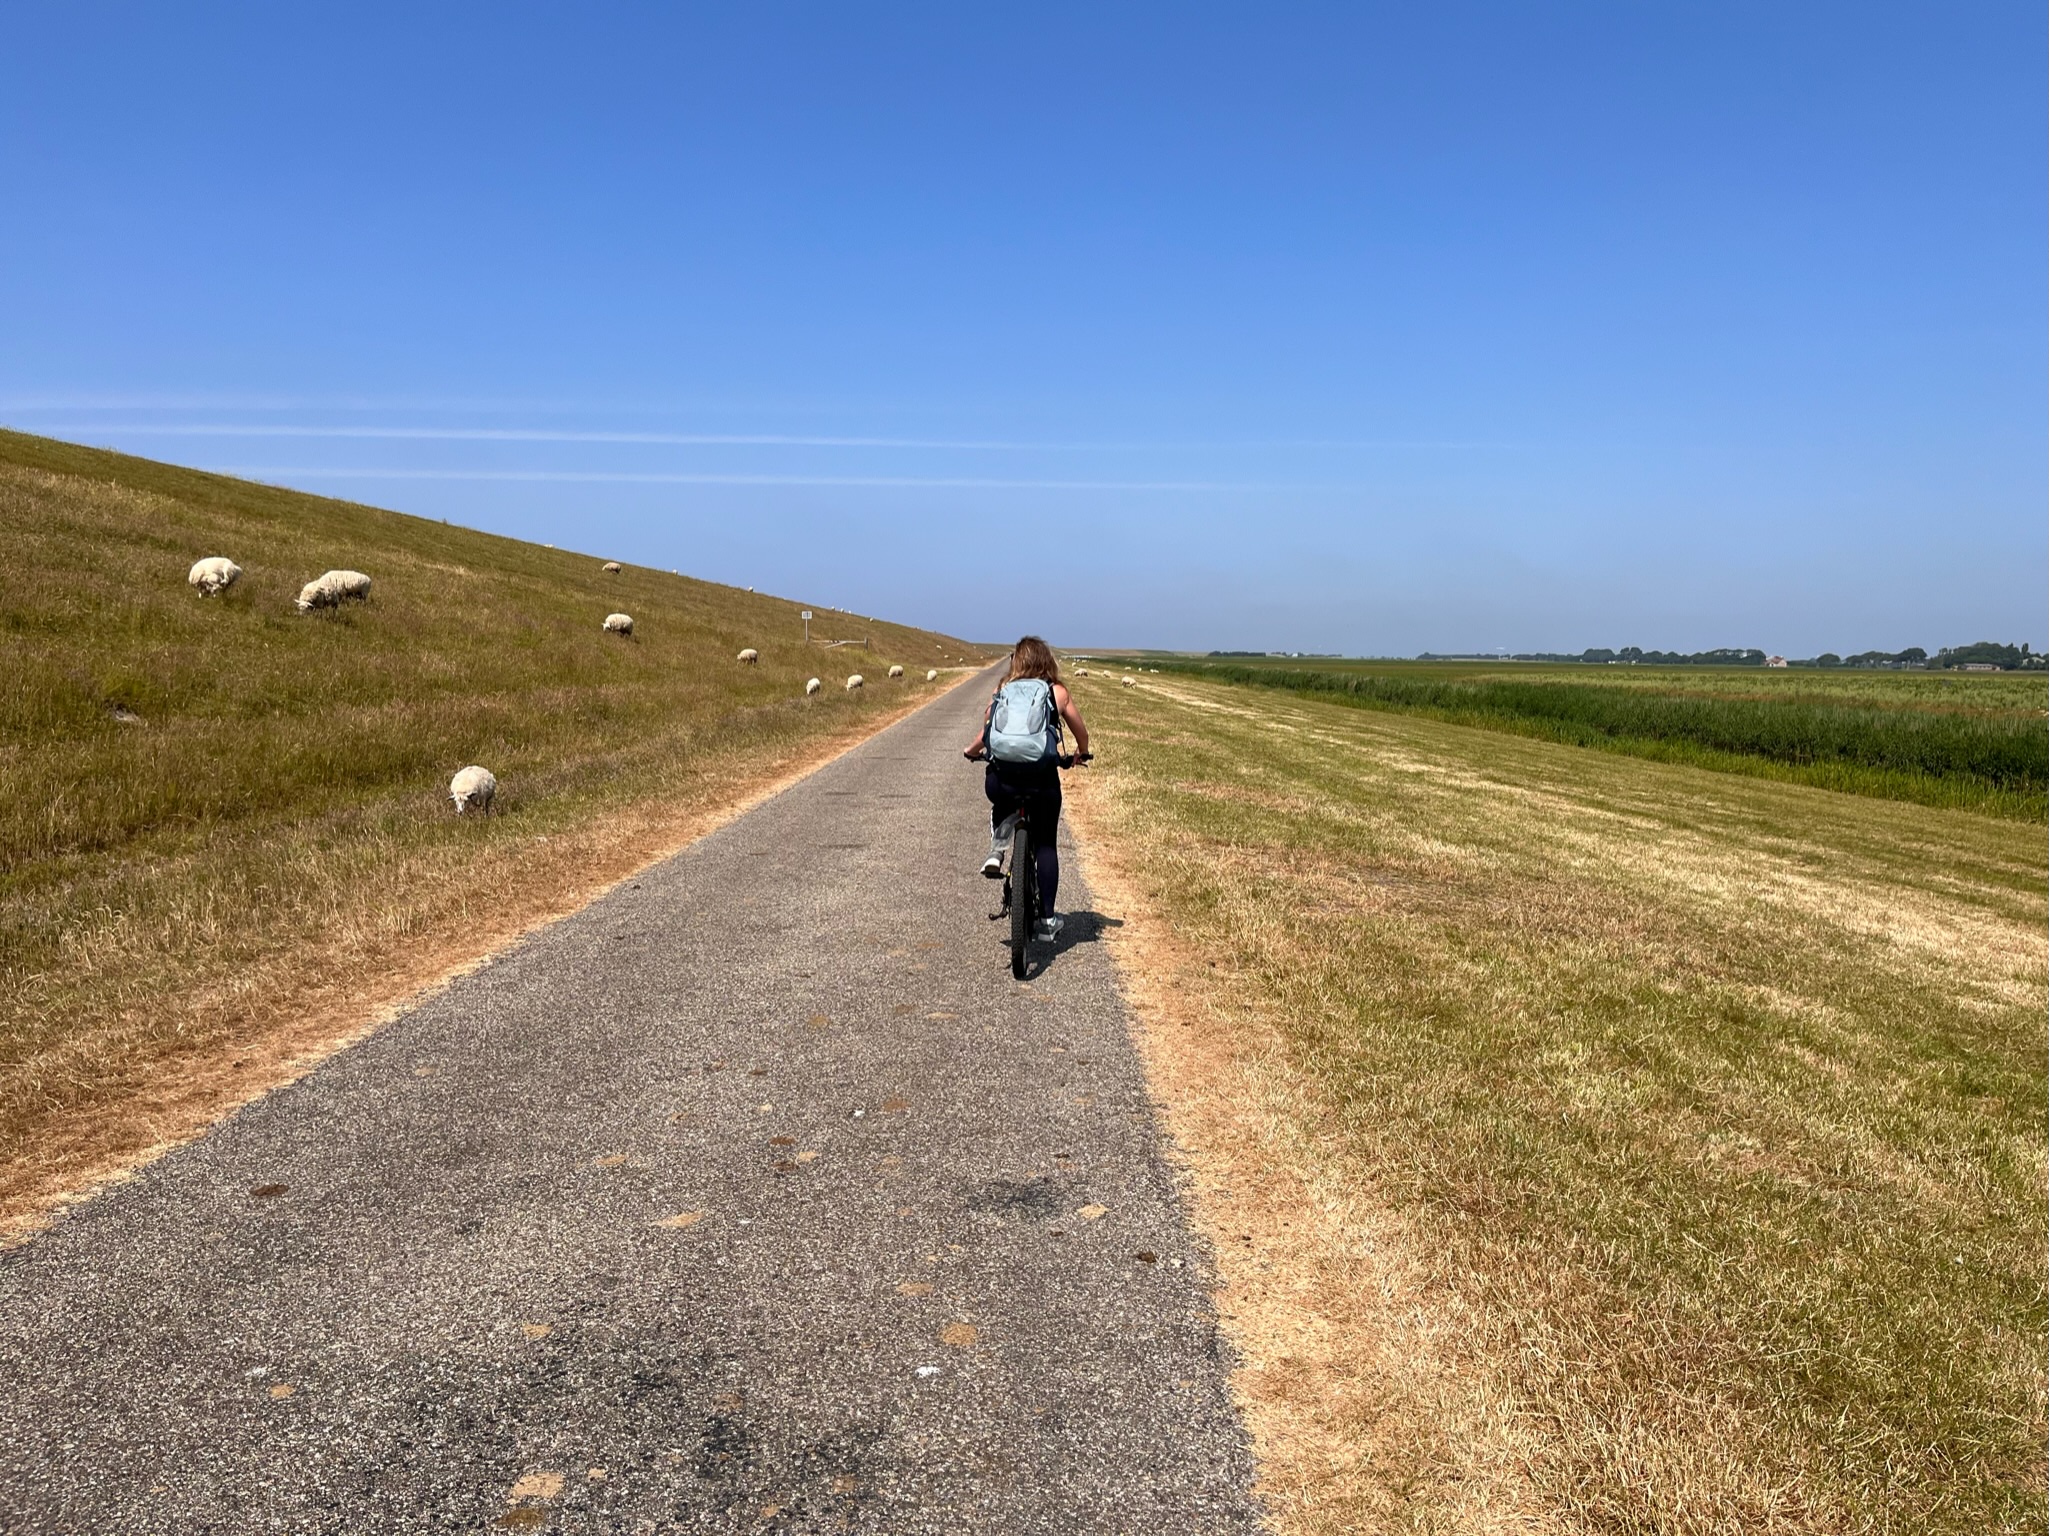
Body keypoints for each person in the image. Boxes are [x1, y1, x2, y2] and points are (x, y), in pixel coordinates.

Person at [962, 636, 1090, 940]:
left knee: (1001, 803)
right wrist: (1081, 753)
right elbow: (1080, 732)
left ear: (1016, 661)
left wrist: (971, 751)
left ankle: (997, 851)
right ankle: (1047, 921)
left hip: (1003, 780)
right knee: (1045, 844)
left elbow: (987, 732)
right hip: (1042, 781)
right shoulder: (1057, 691)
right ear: (1047, 660)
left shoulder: (1002, 690)